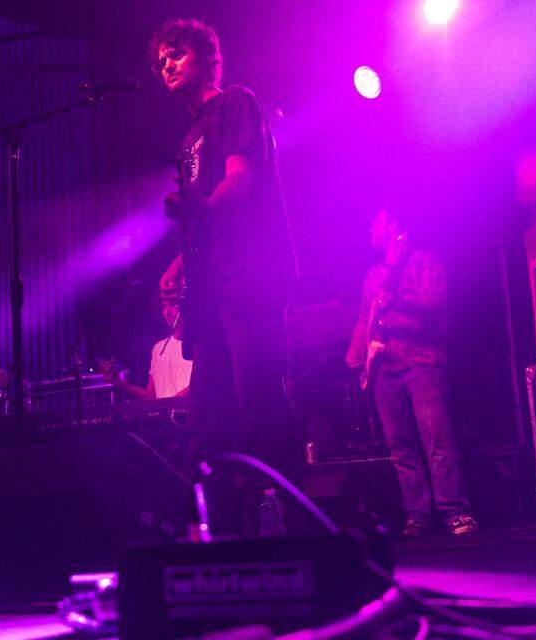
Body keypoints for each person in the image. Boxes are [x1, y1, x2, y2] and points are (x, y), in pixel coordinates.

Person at [149, 18, 301, 520]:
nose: (166, 63)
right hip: (212, 288)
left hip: (251, 274)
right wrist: (178, 263)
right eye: (161, 59)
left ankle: (292, 524)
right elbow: (203, 214)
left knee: (259, 401)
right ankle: (220, 534)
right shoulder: (188, 135)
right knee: (207, 420)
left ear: (207, 55)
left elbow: (239, 182)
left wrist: (199, 214)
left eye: (177, 53)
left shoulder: (236, 102)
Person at [346, 209, 478, 537]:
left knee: (438, 441)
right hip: (384, 370)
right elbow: (365, 318)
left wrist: (397, 301)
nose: (371, 227)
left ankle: (454, 510)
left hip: (422, 363)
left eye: (376, 221)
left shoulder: (422, 261)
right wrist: (356, 351)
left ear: (394, 225)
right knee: (400, 447)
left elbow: (434, 304)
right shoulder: (373, 274)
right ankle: (416, 514)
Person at [101, 297, 192, 400]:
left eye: (173, 305)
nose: (167, 312)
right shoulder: (158, 349)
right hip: (164, 415)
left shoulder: (200, 346)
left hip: (191, 415)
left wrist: (175, 403)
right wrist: (119, 382)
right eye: (164, 306)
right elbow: (151, 396)